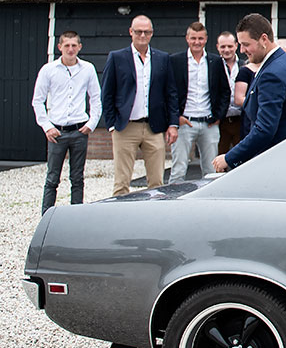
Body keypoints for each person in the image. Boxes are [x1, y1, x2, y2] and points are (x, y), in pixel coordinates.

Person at [213, 14, 286, 172]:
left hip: (274, 162)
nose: (242, 50)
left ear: (264, 39)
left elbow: (264, 130)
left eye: (246, 44)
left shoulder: (271, 74)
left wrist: (229, 158)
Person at [101, 15, 179, 196]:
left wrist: (172, 124)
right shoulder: (117, 58)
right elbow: (107, 94)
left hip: (154, 127)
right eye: (138, 32)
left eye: (146, 32)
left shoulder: (162, 58)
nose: (142, 35)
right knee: (121, 182)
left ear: (152, 34)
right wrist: (112, 124)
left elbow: (171, 93)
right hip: (125, 126)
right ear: (131, 32)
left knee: (157, 182)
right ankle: (120, 219)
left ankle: (153, 220)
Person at [31, 31, 101, 213]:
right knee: (52, 178)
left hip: (79, 131)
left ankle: (75, 217)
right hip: (57, 132)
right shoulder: (48, 70)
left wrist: (91, 124)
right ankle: (46, 217)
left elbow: (95, 98)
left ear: (80, 47)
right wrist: (47, 127)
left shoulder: (88, 69)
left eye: (74, 45)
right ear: (59, 47)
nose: (70, 49)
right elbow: (37, 100)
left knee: (77, 178)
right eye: (67, 45)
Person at [168, 21, 231, 183]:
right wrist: (176, 118)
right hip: (185, 122)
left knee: (211, 171)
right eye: (193, 38)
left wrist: (218, 116)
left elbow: (225, 91)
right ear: (187, 39)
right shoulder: (176, 61)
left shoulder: (215, 62)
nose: (197, 42)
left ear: (206, 39)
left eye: (200, 38)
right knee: (178, 170)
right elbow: (170, 92)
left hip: (208, 123)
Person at [216, 31, 245, 153]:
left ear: (236, 46)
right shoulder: (214, 66)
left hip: (240, 119)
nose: (226, 50)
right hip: (221, 121)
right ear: (218, 47)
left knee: (241, 158)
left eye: (230, 46)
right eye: (223, 47)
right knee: (219, 157)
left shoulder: (244, 65)